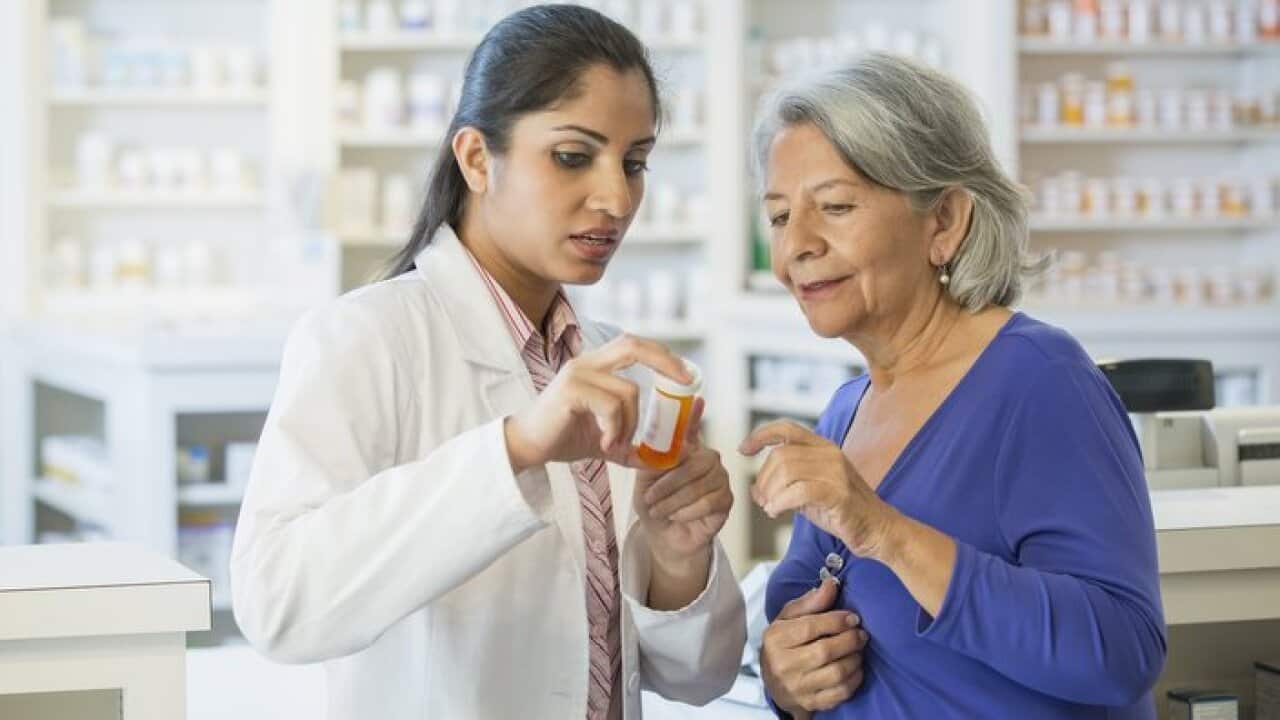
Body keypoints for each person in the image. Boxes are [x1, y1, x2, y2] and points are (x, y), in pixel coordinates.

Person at [230, 6, 745, 719]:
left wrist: (679, 557)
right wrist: (516, 448)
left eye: (633, 162)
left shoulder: (612, 365)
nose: (617, 198)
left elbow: (698, 679)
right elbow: (278, 605)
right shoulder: (364, 338)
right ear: (476, 158)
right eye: (573, 155)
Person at [739, 53, 1166, 719]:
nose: (796, 245)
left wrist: (882, 530)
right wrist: (785, 674)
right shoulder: (846, 411)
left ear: (944, 222)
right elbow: (803, 628)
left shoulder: (1040, 382)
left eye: (836, 206)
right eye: (778, 216)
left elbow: (1119, 653)